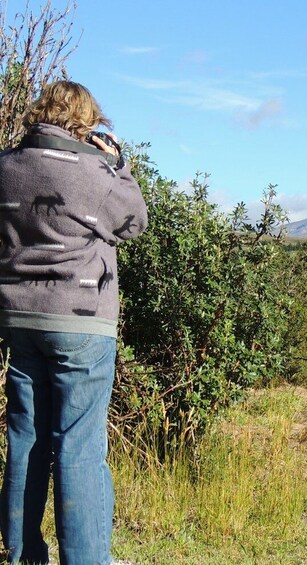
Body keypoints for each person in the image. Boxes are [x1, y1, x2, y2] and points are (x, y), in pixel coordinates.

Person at [0, 81, 148, 564]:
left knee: (26, 438)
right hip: (82, 322)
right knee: (79, 446)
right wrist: (119, 164)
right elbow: (135, 223)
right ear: (85, 122)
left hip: (19, 318)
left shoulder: (5, 166)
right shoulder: (95, 173)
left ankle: (25, 555)